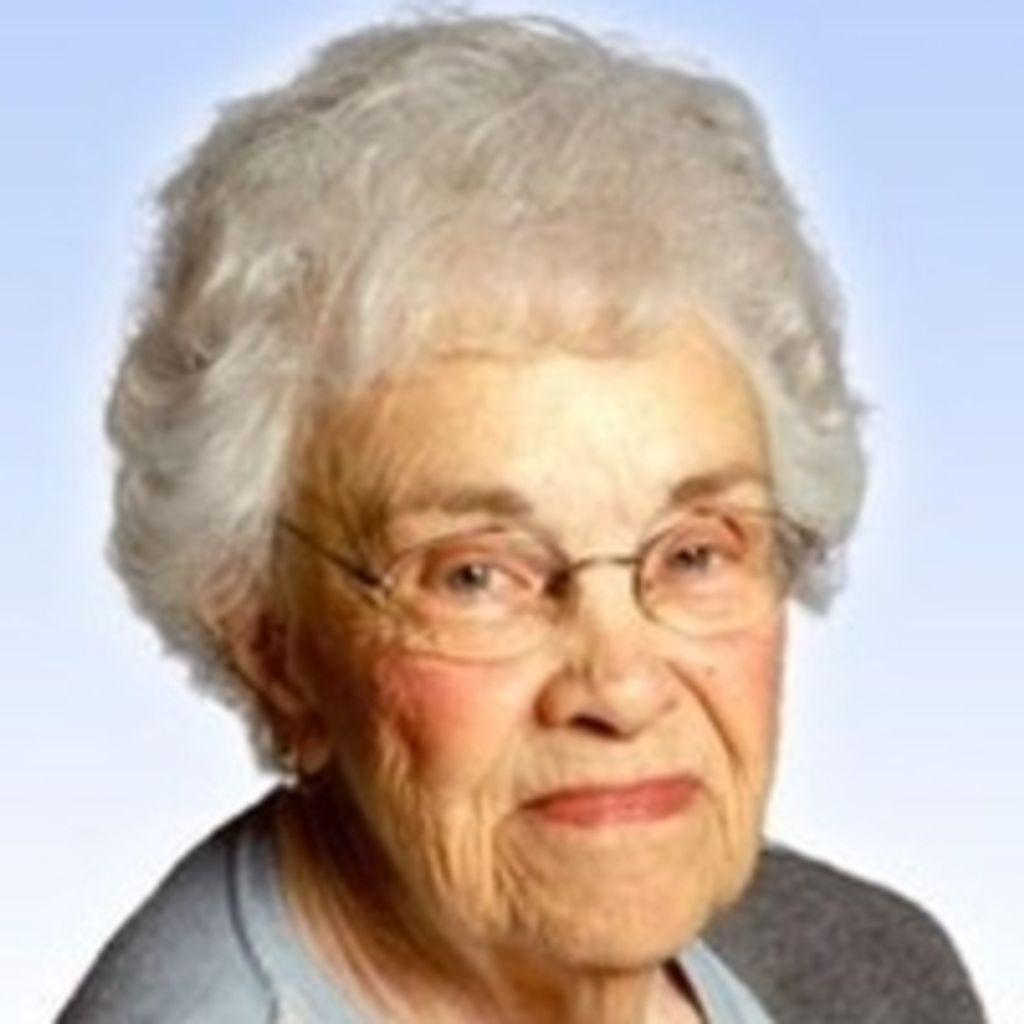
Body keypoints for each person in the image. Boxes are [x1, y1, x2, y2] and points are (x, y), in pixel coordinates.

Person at [58, 13, 985, 1023]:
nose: (621, 689)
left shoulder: (872, 971)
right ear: (272, 649)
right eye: (476, 575)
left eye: (694, 553)